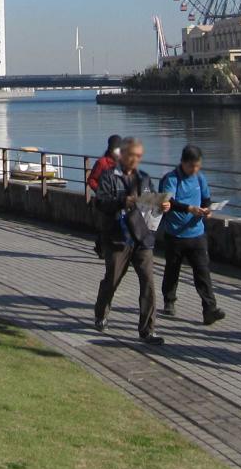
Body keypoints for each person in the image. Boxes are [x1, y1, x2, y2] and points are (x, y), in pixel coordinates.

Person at [93, 137, 168, 345]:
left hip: (142, 238)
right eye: (132, 155)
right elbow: (100, 202)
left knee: (148, 284)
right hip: (118, 237)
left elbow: (151, 200)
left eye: (139, 156)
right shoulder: (109, 177)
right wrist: (121, 201)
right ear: (122, 155)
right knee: (112, 280)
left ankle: (147, 331)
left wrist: (162, 206)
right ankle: (101, 313)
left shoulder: (143, 178)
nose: (135, 160)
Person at [158, 145, 225, 325]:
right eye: (191, 166)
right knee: (173, 269)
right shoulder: (171, 178)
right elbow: (168, 201)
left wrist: (207, 209)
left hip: (197, 233)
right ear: (183, 163)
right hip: (175, 234)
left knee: (202, 271)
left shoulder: (200, 178)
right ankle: (169, 300)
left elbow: (206, 198)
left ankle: (209, 309)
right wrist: (189, 208)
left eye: (197, 166)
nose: (195, 170)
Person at [86, 135, 123, 256]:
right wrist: (101, 191)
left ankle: (109, 247)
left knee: (118, 225)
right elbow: (92, 179)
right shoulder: (102, 163)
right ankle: (102, 247)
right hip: (105, 201)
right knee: (107, 225)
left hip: (119, 200)